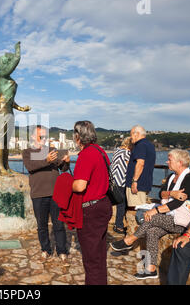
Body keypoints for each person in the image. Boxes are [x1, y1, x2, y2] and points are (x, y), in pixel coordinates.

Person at [110, 149, 190, 279]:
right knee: (152, 231)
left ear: (180, 162)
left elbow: (176, 204)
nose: (167, 161)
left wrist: (155, 210)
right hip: (169, 217)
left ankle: (129, 240)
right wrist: (171, 193)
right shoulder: (171, 177)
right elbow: (161, 194)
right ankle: (151, 269)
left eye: (170, 159)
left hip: (181, 221)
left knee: (150, 217)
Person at [72, 120, 112, 285]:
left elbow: (80, 186)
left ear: (78, 137)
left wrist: (69, 183)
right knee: (99, 255)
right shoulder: (100, 151)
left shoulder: (87, 154)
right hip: (104, 204)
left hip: (91, 210)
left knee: (91, 259)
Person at [22, 125, 70, 261]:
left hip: (55, 194)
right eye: (40, 136)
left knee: (59, 225)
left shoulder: (53, 150)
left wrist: (66, 162)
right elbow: (31, 167)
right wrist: (46, 160)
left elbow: (64, 169)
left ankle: (62, 250)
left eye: (45, 136)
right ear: (32, 137)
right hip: (38, 194)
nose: (44, 139)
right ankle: (45, 249)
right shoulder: (27, 152)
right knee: (41, 226)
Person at [0, 41, 30, 176]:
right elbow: (14, 63)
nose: (8, 64)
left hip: (9, 108)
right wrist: (17, 53)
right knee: (0, 139)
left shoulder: (7, 79)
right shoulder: (2, 75)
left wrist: (20, 108)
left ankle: (6, 166)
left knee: (6, 140)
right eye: (6, 62)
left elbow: (11, 99)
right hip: (2, 108)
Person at [124, 125, 156, 235]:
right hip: (144, 183)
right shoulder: (149, 145)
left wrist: (134, 181)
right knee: (140, 210)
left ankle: (133, 238)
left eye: (131, 134)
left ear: (137, 134)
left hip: (138, 185)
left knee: (135, 212)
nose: (131, 137)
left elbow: (140, 163)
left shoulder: (140, 145)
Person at [111, 137, 133, 234]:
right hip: (120, 181)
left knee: (113, 201)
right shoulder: (127, 153)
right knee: (122, 203)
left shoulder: (117, 151)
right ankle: (118, 225)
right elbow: (130, 168)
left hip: (113, 180)